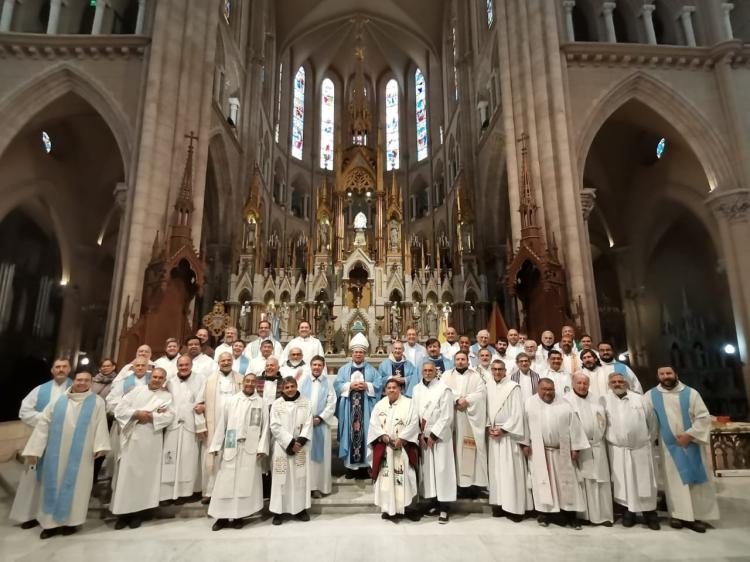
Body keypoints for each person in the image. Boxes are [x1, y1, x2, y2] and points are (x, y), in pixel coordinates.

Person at [21, 371, 110, 539]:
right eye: (79, 379)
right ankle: (49, 525)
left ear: (91, 383)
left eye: (86, 380)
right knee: (53, 484)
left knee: (77, 488)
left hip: (83, 455)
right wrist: (35, 449)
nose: (82, 383)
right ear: (74, 380)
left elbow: (100, 424)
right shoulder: (58, 400)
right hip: (56, 453)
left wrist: (101, 445)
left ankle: (71, 523)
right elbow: (43, 424)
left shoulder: (97, 402)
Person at [645, 366, 718, 532]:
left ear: (676, 374)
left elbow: (703, 417)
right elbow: (646, 417)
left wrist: (690, 435)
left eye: (669, 373)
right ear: (658, 376)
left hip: (692, 442)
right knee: (674, 481)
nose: (666, 376)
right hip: (668, 445)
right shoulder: (650, 395)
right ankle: (678, 515)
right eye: (662, 374)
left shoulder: (691, 393)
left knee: (696, 481)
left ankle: (699, 516)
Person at [12, 359, 74, 530]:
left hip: (67, 442)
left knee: (61, 477)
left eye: (64, 367)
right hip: (41, 441)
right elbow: (24, 411)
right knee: (34, 479)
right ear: (52, 370)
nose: (61, 369)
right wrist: (45, 419)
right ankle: (30, 514)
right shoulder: (40, 390)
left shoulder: (77, 388)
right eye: (57, 367)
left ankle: (57, 517)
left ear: (70, 369)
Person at [111, 368, 175, 529]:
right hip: (132, 437)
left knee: (145, 478)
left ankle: (138, 513)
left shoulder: (166, 397)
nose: (157, 380)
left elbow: (169, 416)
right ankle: (122, 514)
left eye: (161, 378)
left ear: (164, 380)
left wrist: (152, 416)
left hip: (151, 439)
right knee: (127, 476)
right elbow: (120, 409)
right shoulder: (136, 392)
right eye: (155, 377)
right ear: (150, 377)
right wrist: (136, 413)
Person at [522, 378, 589, 529]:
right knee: (543, 484)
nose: (547, 392)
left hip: (562, 451)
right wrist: (525, 443)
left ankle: (571, 516)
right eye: (544, 389)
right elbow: (525, 424)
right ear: (538, 389)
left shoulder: (564, 404)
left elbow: (575, 426)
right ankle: (545, 514)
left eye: (550, 389)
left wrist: (575, 447)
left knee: (567, 484)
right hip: (540, 451)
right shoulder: (530, 403)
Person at [208, 373, 269, 531]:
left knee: (245, 483)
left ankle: (239, 516)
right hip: (231, 445)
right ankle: (221, 517)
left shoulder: (261, 403)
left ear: (256, 384)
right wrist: (216, 445)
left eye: (252, 381)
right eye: (247, 381)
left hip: (250, 447)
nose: (249, 384)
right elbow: (223, 423)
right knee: (225, 482)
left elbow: (265, 427)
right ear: (242, 383)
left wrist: (262, 447)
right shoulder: (232, 400)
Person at [603, 372, 660, 530]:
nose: (617, 384)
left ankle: (650, 514)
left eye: (620, 381)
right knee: (625, 483)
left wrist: (647, 439)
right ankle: (630, 512)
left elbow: (652, 422)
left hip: (640, 448)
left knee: (645, 482)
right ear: (609, 385)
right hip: (619, 450)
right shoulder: (605, 401)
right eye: (613, 382)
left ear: (626, 383)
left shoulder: (639, 399)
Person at [368, 378, 421, 522]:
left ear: (400, 389)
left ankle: (409, 508)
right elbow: (374, 425)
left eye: (394, 387)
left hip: (402, 448)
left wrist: (402, 439)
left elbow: (414, 422)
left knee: (407, 478)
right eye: (389, 388)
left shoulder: (409, 404)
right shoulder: (380, 405)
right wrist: (383, 436)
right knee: (386, 479)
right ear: (385, 390)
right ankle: (388, 509)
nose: (391, 390)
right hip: (386, 449)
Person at [565, 372, 613, 526]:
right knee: (583, 482)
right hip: (580, 448)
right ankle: (583, 516)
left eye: (585, 383)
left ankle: (603, 516)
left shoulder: (596, 399)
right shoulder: (567, 401)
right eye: (579, 383)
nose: (582, 386)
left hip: (598, 446)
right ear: (573, 384)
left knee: (601, 481)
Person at [411, 362, 456, 524]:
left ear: (436, 372)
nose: (428, 373)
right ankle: (433, 502)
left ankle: (445, 507)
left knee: (442, 471)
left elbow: (447, 415)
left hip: (440, 438)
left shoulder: (444, 389)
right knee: (429, 472)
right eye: (425, 370)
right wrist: (420, 434)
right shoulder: (417, 389)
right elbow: (414, 413)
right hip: (423, 438)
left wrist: (434, 436)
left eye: (431, 370)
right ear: (421, 372)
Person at [196, 351, 243, 503]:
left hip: (233, 426)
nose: (226, 363)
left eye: (229, 360)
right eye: (223, 361)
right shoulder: (209, 380)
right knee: (212, 455)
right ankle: (209, 492)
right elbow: (198, 405)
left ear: (232, 361)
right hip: (214, 424)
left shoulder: (240, 379)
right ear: (218, 362)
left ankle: (230, 489)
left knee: (231, 455)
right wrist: (201, 426)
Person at [334, 333, 382, 479]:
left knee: (366, 434)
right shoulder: (343, 370)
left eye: (361, 352)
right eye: (356, 352)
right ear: (352, 353)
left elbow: (379, 385)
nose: (358, 354)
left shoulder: (372, 370)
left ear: (364, 353)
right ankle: (351, 469)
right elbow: (337, 385)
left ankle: (365, 468)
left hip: (366, 409)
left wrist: (367, 385)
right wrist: (349, 386)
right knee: (350, 436)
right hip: (349, 409)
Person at [441, 351, 487, 498]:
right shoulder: (446, 375)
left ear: (468, 361)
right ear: (454, 361)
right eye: (458, 359)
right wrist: (455, 400)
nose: (460, 362)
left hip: (469, 419)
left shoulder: (475, 376)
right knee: (453, 451)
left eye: (463, 359)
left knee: (469, 449)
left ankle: (471, 485)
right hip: (453, 419)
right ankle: (455, 485)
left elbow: (481, 393)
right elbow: (443, 391)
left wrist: (467, 400)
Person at [160, 356, 206, 504]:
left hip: (190, 424)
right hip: (173, 425)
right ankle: (167, 493)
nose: (184, 367)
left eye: (187, 365)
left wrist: (200, 425)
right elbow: (166, 400)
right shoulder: (171, 381)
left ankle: (186, 492)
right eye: (181, 365)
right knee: (169, 458)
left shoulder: (200, 379)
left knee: (188, 459)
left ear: (192, 365)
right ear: (177, 366)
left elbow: (200, 402)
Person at [486, 359, 528, 521]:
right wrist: (489, 425)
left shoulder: (513, 387)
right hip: (493, 433)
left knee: (511, 472)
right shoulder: (488, 386)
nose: (497, 372)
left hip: (508, 435)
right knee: (496, 472)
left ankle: (514, 508)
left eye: (500, 369)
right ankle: (499, 504)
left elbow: (518, 413)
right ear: (491, 371)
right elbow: (487, 408)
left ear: (505, 371)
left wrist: (503, 429)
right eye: (494, 369)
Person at [269, 377, 313, 525]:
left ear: (296, 386)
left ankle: (300, 509)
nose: (290, 389)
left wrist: (299, 442)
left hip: (300, 447)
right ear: (282, 389)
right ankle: (278, 511)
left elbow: (308, 424)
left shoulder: (305, 403)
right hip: (282, 447)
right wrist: (289, 443)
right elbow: (275, 426)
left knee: (300, 477)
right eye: (286, 387)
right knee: (281, 478)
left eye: (292, 386)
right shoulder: (277, 404)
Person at [298, 355, 336, 497]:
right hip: (305, 425)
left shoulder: (328, 383)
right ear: (310, 365)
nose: (317, 367)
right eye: (314, 365)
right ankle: (305, 487)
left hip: (322, 425)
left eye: (319, 365)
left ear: (323, 366)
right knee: (306, 456)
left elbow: (331, 403)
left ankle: (318, 486)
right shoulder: (303, 381)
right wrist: (307, 419)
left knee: (320, 459)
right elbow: (299, 400)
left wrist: (321, 417)